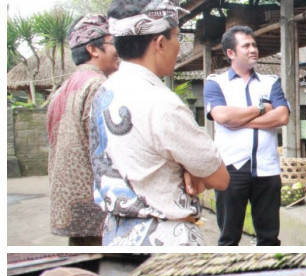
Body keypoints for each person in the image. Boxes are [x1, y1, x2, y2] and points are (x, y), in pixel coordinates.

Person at [90, 0, 229, 246]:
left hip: (117, 234)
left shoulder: (104, 92)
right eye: (176, 36)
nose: (179, 45)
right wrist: (191, 170)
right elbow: (220, 178)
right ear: (160, 43)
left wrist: (189, 168)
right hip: (163, 237)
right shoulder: (162, 103)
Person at [203, 25, 290, 246]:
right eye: (246, 46)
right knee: (229, 237)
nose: (253, 49)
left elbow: (282, 117)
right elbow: (221, 116)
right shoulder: (215, 82)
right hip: (231, 168)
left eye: (254, 45)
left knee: (269, 238)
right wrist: (261, 109)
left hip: (267, 169)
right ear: (231, 53)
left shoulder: (271, 82)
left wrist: (239, 120)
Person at [47, 15, 120, 246]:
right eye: (112, 42)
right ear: (92, 49)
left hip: (73, 207)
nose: (118, 49)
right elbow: (111, 149)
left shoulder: (61, 90)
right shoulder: (98, 86)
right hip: (97, 208)